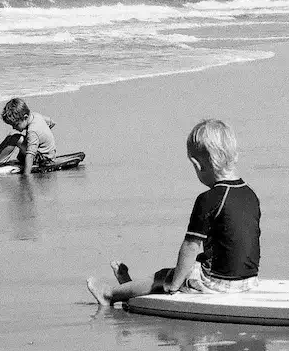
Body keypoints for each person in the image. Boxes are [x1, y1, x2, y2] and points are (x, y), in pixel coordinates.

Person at [86, 119, 259, 307]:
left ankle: (110, 294)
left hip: (218, 282)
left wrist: (174, 285)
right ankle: (129, 288)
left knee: (163, 277)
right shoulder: (249, 194)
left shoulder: (208, 199)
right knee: (189, 270)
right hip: (249, 280)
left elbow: (191, 247)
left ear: (197, 165)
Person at [0, 97, 57, 173]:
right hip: (48, 154)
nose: (13, 127)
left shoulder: (33, 132)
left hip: (44, 160)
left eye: (16, 124)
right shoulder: (36, 116)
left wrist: (26, 176)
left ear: (25, 117)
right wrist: (43, 138)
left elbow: (30, 156)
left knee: (15, 138)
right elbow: (51, 123)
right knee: (11, 135)